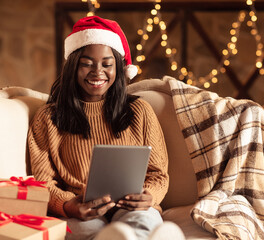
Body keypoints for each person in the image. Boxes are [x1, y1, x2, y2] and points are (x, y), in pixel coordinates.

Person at [28, 16, 185, 240]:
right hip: (81, 210)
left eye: (107, 64)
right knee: (87, 230)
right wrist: (68, 205)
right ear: (73, 66)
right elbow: (42, 182)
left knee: (144, 221)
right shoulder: (48, 118)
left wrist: (149, 196)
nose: (97, 72)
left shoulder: (140, 111)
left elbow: (158, 174)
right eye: (86, 63)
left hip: (130, 206)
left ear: (118, 68)